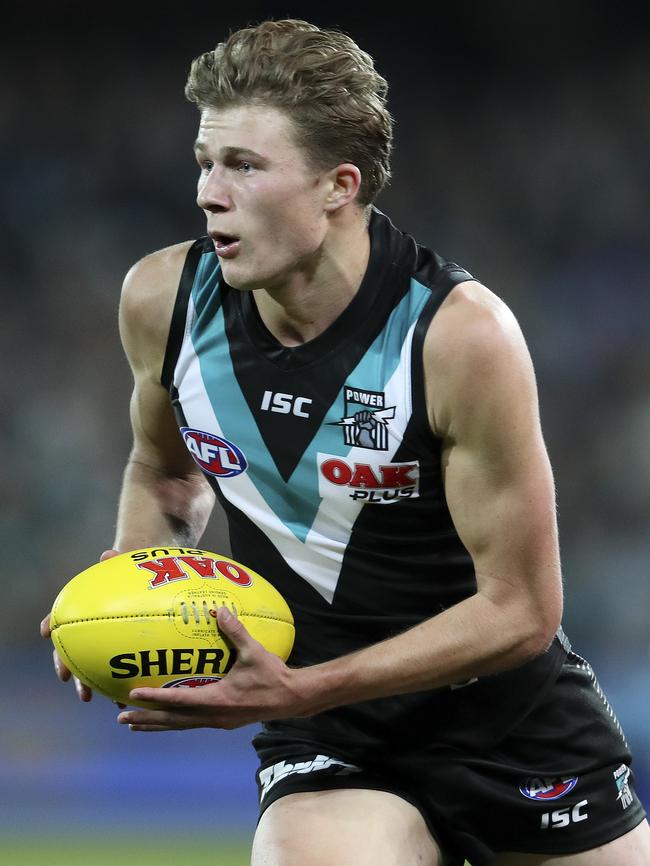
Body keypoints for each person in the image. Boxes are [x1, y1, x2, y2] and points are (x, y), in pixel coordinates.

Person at [41, 19, 649, 866]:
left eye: (245, 166)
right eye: (205, 163)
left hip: (508, 725)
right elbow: (166, 472)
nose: (209, 194)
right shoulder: (162, 301)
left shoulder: (456, 337)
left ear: (338, 185)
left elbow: (521, 610)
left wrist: (298, 687)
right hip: (329, 738)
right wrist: (131, 592)